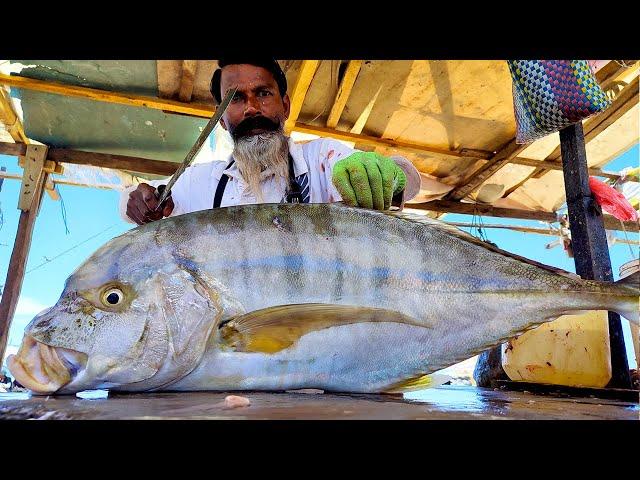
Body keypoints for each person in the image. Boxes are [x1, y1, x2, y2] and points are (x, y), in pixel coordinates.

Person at [121, 59, 420, 225]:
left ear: (285, 106)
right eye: (235, 98)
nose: (252, 108)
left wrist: (390, 173)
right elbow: (128, 204)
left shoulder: (321, 159)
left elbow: (409, 179)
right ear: (221, 119)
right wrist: (140, 198)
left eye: (263, 93)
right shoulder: (201, 182)